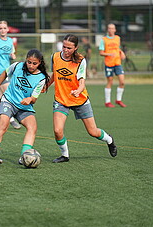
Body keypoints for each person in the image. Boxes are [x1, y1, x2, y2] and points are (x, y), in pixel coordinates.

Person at [47, 34, 117, 163]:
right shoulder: (55, 57)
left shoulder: (80, 60)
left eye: (69, 48)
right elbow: (54, 74)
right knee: (57, 130)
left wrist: (78, 90)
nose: (65, 50)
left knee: (93, 131)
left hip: (79, 99)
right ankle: (65, 155)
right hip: (61, 99)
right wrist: (46, 85)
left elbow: (82, 81)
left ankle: (109, 140)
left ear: (75, 48)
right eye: (64, 47)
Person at [0, 49, 49, 164]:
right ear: (26, 60)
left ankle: (24, 156)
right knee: (3, 124)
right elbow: (4, 73)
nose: (30, 65)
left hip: (24, 106)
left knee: (32, 127)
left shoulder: (41, 78)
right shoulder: (17, 66)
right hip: (8, 101)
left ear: (40, 63)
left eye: (34, 63)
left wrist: (29, 99)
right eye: (29, 62)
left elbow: (34, 99)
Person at [99, 23, 127, 108]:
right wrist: (109, 54)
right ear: (108, 29)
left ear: (115, 30)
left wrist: (121, 53)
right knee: (110, 81)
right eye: (109, 28)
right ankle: (107, 102)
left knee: (122, 82)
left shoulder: (118, 38)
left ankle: (118, 100)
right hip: (109, 64)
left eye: (112, 28)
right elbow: (101, 53)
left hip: (117, 63)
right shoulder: (104, 40)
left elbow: (117, 48)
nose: (111, 30)